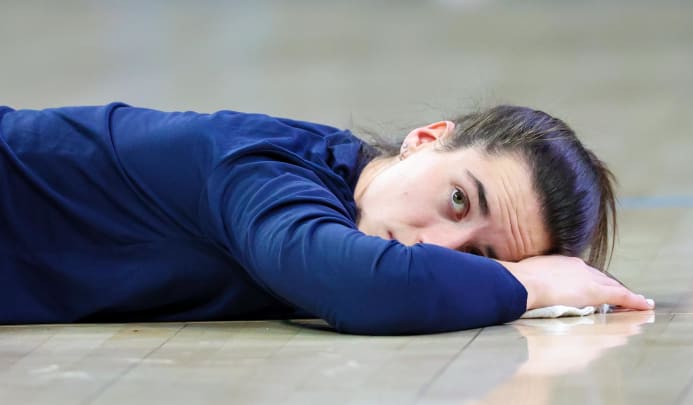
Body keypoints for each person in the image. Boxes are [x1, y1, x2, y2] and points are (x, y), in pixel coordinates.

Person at [0, 102, 653, 335]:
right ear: (426, 139)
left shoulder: (336, 185)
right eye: (459, 199)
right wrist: (533, 285)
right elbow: (362, 285)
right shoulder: (257, 167)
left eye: (480, 257)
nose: (436, 243)